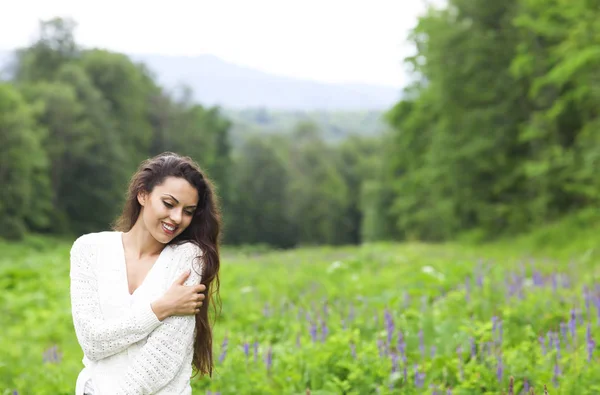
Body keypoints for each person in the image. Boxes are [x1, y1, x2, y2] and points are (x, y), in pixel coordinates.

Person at [69, 152, 221, 395]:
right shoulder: (88, 250)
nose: (177, 218)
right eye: (169, 204)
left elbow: (163, 357)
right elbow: (93, 342)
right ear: (142, 194)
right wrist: (160, 309)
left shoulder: (189, 259)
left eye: (188, 211)